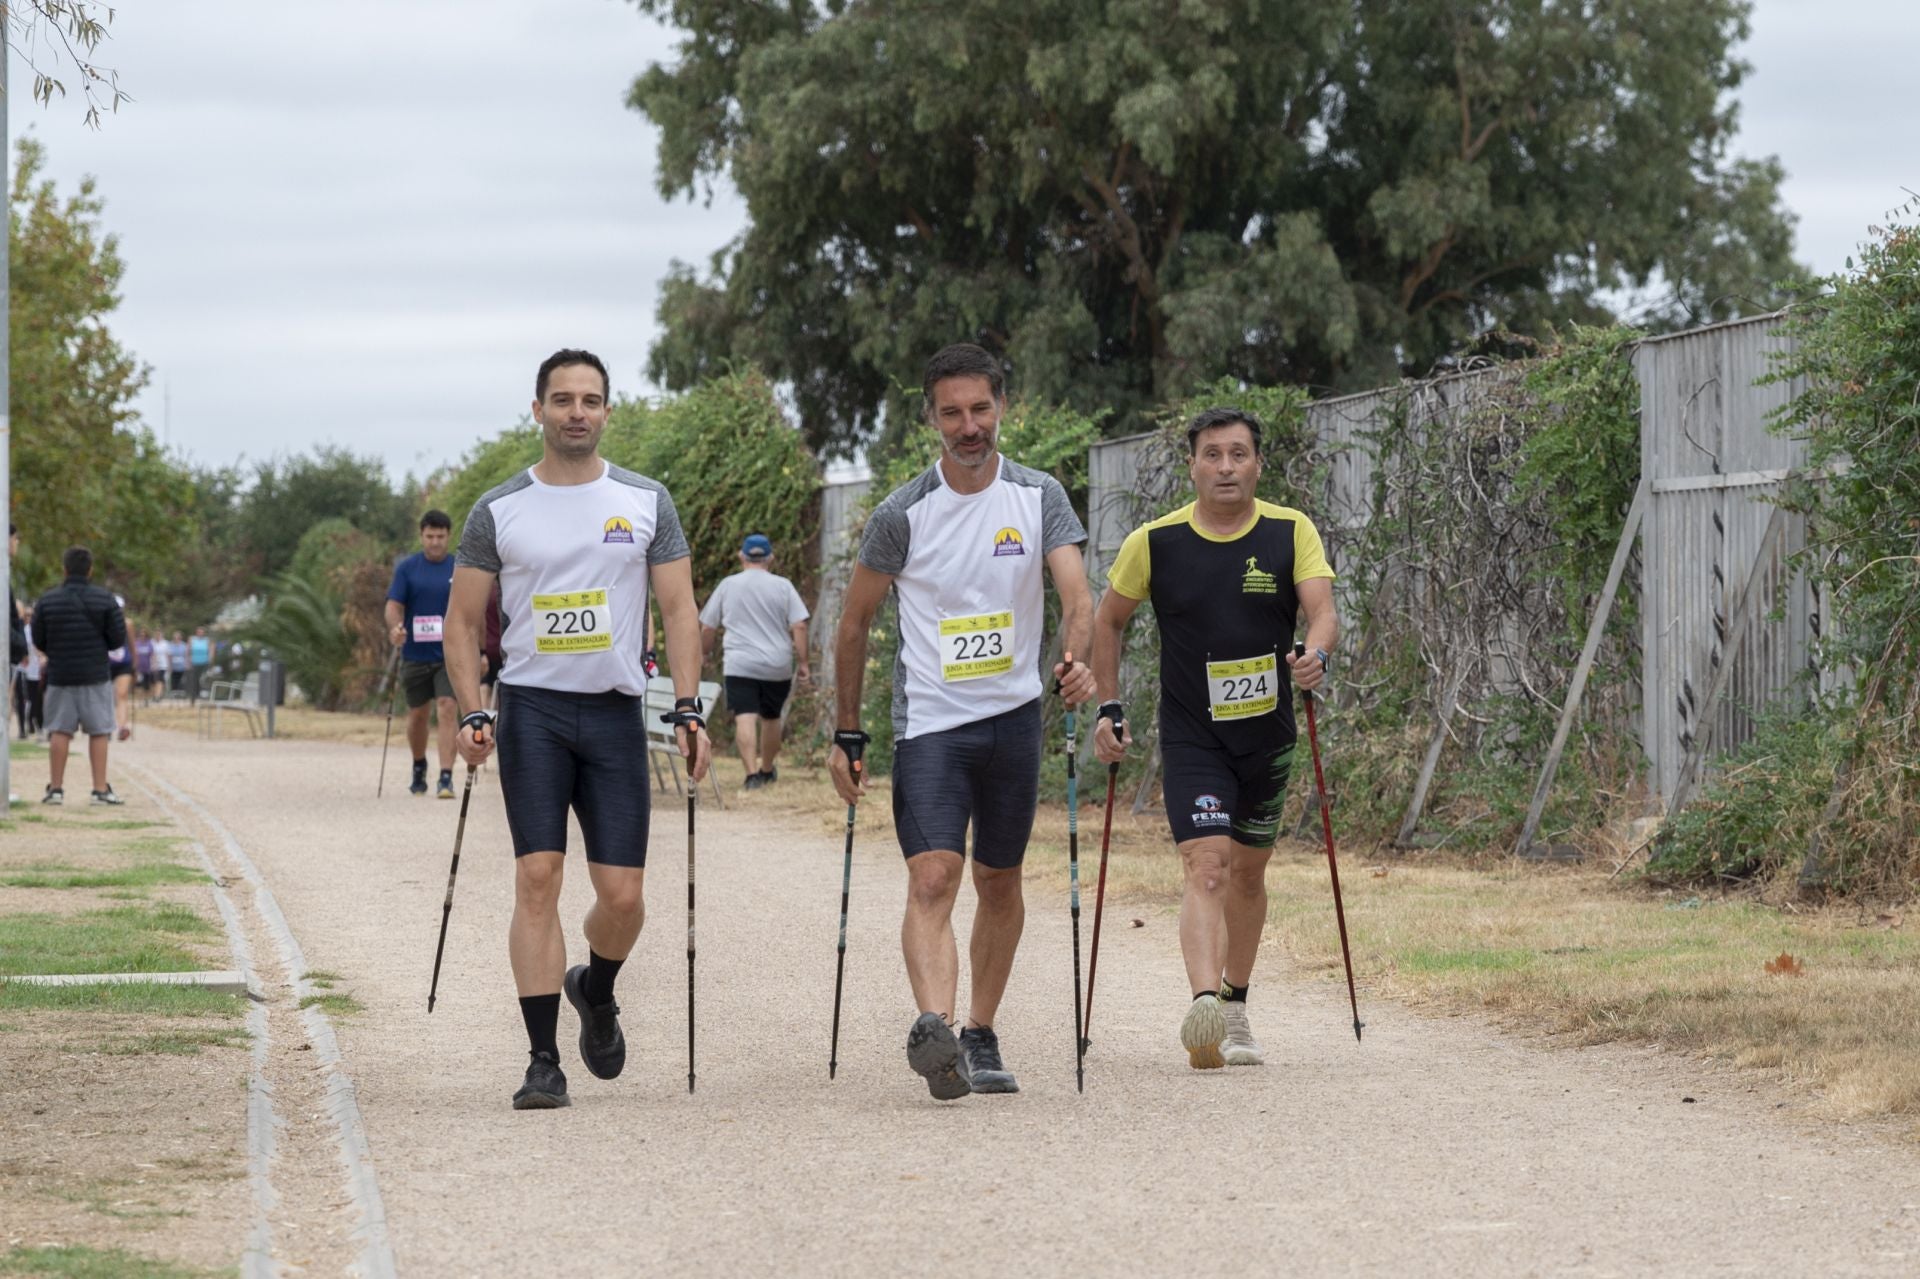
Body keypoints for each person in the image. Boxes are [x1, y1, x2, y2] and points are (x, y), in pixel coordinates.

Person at [445, 348, 712, 1111]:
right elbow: (462, 625)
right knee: (537, 879)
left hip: (613, 714)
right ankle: (541, 1059)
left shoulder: (645, 500)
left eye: (590, 400)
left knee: (623, 899)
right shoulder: (499, 508)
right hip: (531, 711)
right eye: (561, 399)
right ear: (536, 410)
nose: (576, 412)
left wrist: (688, 707)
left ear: (607, 412)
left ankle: (596, 987)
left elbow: (681, 611)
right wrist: (472, 708)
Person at [830, 342, 1094, 1100]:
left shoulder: (1038, 496)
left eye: (980, 408)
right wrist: (848, 732)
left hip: (1013, 719)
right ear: (931, 419)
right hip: (932, 726)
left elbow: (1076, 593)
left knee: (999, 880)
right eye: (953, 412)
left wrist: (1073, 659)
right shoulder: (902, 513)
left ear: (1002, 407)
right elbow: (853, 624)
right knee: (934, 876)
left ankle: (980, 1030)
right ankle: (936, 1030)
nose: (969, 425)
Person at [1089, 406, 1338, 1070]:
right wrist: (1108, 706)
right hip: (1194, 738)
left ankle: (1235, 1003)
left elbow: (1322, 609)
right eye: (1212, 455)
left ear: (1257, 463)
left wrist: (1315, 654)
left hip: (1269, 737)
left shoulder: (1291, 531)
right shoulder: (1156, 542)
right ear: (1192, 465)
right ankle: (1204, 1004)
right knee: (1207, 868)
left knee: (1249, 877)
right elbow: (1107, 622)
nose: (1225, 467)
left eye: (1238, 454)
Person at [699, 533, 810, 789]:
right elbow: (800, 626)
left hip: (740, 663)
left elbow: (707, 627)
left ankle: (751, 775)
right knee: (772, 717)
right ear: (770, 557)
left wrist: (704, 653)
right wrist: (803, 663)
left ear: (742, 556)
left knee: (745, 716)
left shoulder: (728, 585)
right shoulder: (783, 586)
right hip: (777, 664)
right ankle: (767, 769)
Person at [31, 546, 129, 805]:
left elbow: (39, 638)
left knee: (60, 731)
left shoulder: (47, 601)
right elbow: (117, 639)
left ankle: (55, 789)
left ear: (64, 569)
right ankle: (99, 789)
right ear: (90, 570)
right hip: (95, 674)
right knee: (99, 731)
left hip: (60, 674)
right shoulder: (105, 599)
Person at [386, 510, 460, 798]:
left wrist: (477, 650)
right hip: (415, 654)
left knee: (447, 707)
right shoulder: (407, 569)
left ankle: (446, 776)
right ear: (421, 536)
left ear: (448, 536)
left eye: (440, 536)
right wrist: (396, 628)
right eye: (430, 536)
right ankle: (419, 765)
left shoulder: (458, 568)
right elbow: (393, 605)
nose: (435, 542)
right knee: (418, 714)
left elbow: (472, 612)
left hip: (448, 654)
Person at [107, 595, 135, 740]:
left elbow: (131, 643)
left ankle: (122, 727)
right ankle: (105, 727)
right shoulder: (102, 622)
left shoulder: (127, 623)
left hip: (124, 662)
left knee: (122, 694)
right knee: (105, 696)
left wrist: (135, 663)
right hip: (106, 663)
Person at [188, 626, 213, 699]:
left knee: (203, 679)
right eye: (199, 632)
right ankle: (194, 696)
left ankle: (204, 695)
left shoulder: (207, 640)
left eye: (201, 632)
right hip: (194, 663)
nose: (200, 633)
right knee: (194, 680)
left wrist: (210, 660)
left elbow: (211, 651)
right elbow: (188, 651)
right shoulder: (192, 639)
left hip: (204, 663)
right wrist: (188, 661)